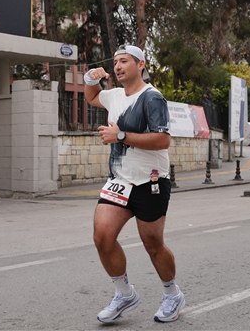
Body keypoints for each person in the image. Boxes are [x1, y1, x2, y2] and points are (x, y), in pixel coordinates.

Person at [84, 44, 185, 324]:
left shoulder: (152, 98)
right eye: (116, 62)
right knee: (102, 237)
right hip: (120, 179)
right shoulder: (115, 96)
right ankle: (124, 293)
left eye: (124, 61)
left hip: (150, 181)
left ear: (141, 65)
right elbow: (92, 96)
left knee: (153, 243)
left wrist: (120, 136)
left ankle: (172, 294)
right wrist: (91, 78)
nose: (118, 66)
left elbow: (163, 140)